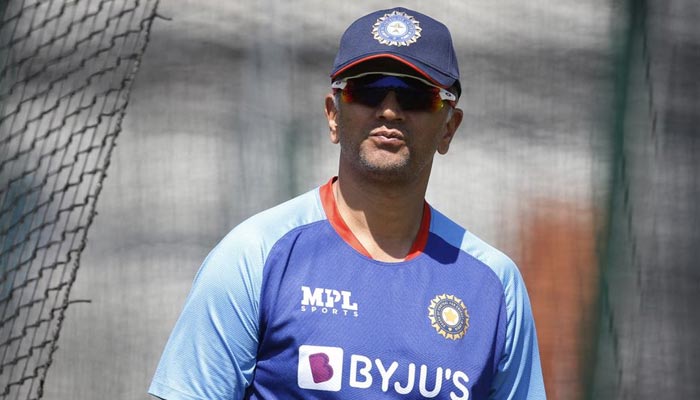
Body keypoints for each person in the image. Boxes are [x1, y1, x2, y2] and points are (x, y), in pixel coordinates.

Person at [149, 7, 545, 400]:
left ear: (449, 128)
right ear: (333, 115)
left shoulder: (495, 284)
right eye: (367, 89)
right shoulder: (255, 255)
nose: (389, 111)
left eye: (416, 96)